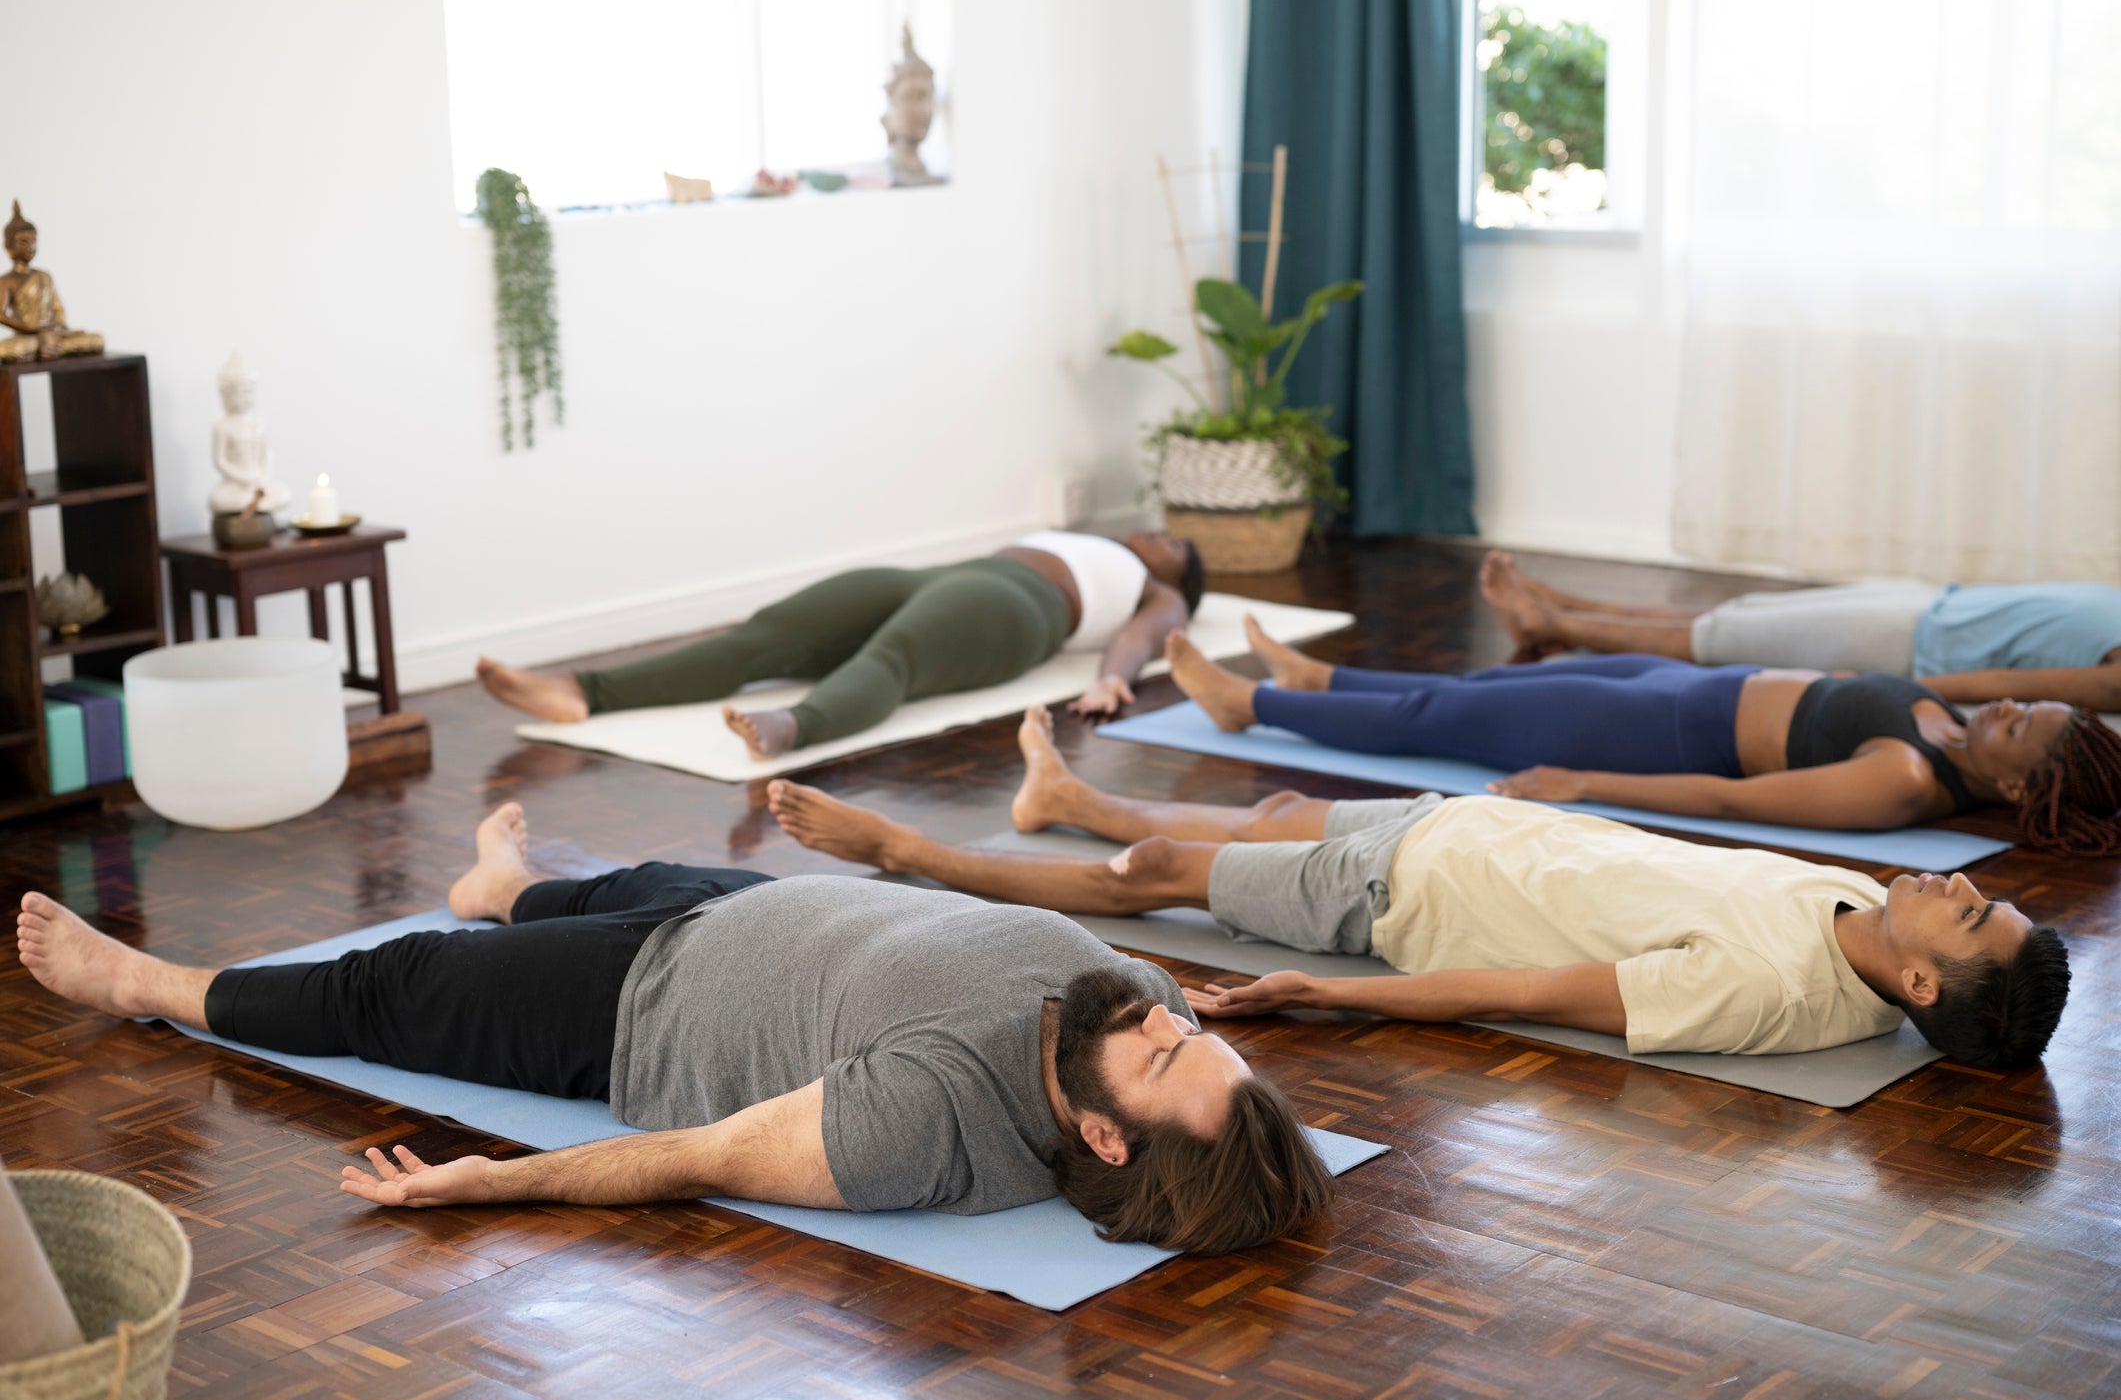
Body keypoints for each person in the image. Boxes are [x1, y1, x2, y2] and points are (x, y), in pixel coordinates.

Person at [12, 803, 1332, 1254]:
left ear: (1098, 1131)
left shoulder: (925, 1122)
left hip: (635, 1004)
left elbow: (695, 1155)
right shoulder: (1127, 1011)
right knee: (600, 878)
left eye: (1163, 1051)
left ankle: (147, 982)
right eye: (1188, 1026)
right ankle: (502, 885)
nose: (1163, 1012)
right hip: (749, 907)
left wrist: (497, 1185)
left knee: (390, 983)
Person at [764, 709, 2072, 1067]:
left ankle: (914, 854)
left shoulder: (1764, 991)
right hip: (1460, 829)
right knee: (1273, 808)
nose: (1942, 885)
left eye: (1961, 911)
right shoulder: (1857, 908)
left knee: (1159, 877)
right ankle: (1074, 798)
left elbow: (1534, 991)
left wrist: (1343, 1001)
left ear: (1921, 980)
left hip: (1404, 897)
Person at [1154, 615, 2121, 856]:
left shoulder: (1904, 781)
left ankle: (1251, 706)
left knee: (1446, 721)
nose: (2004, 710)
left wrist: (1584, 783)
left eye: (2019, 729)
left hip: (1657, 732)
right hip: (1687, 685)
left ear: (2016, 790)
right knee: (1489, 684)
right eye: (2021, 706)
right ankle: (1321, 677)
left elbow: (1732, 800)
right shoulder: (1948, 720)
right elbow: (1997, 680)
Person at [477, 530, 1206, 759]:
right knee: (766, 636)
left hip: (1013, 610)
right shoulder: (1091, 533)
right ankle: (584, 692)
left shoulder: (1158, 591)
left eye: (1172, 546)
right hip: (940, 575)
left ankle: (794, 725)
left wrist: (1113, 679)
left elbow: (1142, 638)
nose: (1154, 537)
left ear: (1179, 578)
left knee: (891, 659)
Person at [1480, 550, 2121, 713]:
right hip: (1931, 606)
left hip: (1907, 643)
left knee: (1720, 638)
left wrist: (1879, 686)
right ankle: (1560, 609)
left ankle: (1554, 620)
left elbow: (2003, 683)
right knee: (1738, 616)